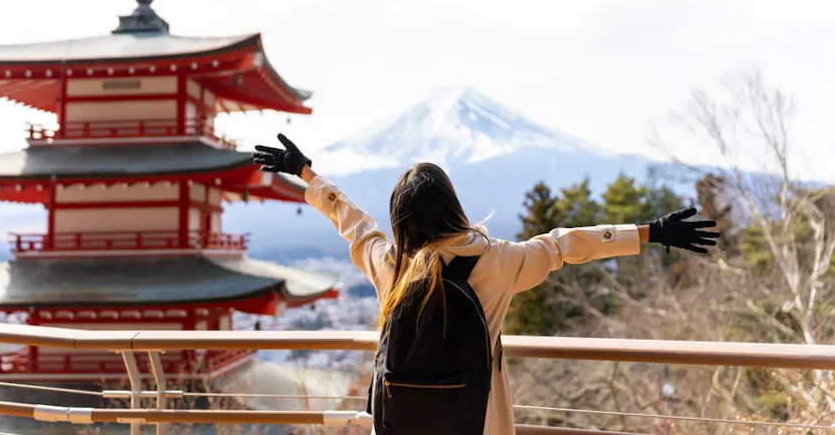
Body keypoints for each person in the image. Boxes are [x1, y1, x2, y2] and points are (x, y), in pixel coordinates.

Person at [253, 134, 719, 435]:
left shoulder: (393, 267)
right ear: (453, 206)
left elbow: (355, 224)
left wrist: (307, 174)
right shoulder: (498, 261)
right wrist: (651, 232)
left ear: (402, 218)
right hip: (478, 421)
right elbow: (564, 245)